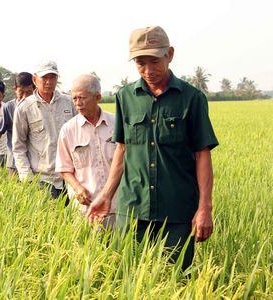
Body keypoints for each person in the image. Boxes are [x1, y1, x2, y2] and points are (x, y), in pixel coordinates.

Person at [87, 26, 219, 270]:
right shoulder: (125, 97)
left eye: (154, 61)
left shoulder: (191, 98)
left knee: (176, 279)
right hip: (132, 210)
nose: (148, 70)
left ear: (169, 54)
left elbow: (202, 154)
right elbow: (122, 149)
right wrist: (105, 195)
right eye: (140, 62)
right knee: (127, 278)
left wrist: (205, 208)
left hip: (177, 213)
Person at [55, 74, 117, 228]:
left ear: (97, 97)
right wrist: (77, 187)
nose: (78, 103)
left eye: (82, 98)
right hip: (86, 210)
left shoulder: (116, 124)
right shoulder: (68, 130)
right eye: (74, 99)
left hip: (117, 206)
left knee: (121, 248)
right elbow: (64, 168)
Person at [12, 60, 77, 200]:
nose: (48, 82)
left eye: (52, 77)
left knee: (74, 220)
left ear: (57, 79)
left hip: (72, 178)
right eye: (44, 78)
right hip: (43, 179)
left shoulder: (69, 102)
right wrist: (27, 178)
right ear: (35, 80)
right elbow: (18, 147)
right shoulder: (24, 108)